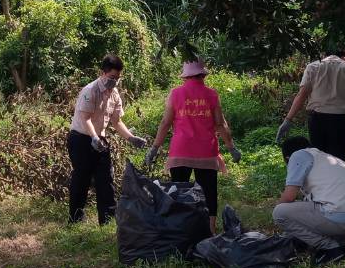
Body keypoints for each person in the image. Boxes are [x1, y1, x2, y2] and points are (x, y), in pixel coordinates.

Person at [144, 58, 240, 233]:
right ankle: (209, 230)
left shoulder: (175, 94)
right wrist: (231, 147)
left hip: (181, 150)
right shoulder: (211, 94)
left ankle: (181, 229)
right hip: (206, 151)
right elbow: (220, 123)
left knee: (179, 191)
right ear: (203, 74)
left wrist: (155, 147)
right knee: (209, 191)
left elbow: (166, 122)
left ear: (185, 76)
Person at [68, 55, 148, 225]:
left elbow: (116, 121)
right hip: (81, 139)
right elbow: (85, 118)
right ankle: (75, 219)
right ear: (102, 73)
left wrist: (131, 138)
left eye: (118, 78)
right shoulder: (90, 90)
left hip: (100, 140)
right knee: (81, 179)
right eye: (112, 78)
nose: (115, 82)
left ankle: (108, 220)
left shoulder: (115, 94)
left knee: (106, 179)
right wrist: (94, 137)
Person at [274, 135, 345, 262]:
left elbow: (288, 197)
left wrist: (283, 221)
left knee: (280, 212)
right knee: (311, 209)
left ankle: (329, 249)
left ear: (287, 158)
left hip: (339, 216)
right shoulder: (326, 157)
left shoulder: (298, 155)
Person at [276, 49, 345, 161]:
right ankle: (339, 177)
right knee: (339, 159)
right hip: (340, 122)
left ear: (324, 55)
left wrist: (287, 120)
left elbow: (301, 96)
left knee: (318, 158)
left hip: (317, 121)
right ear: (344, 57)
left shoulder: (313, 67)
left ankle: (321, 178)